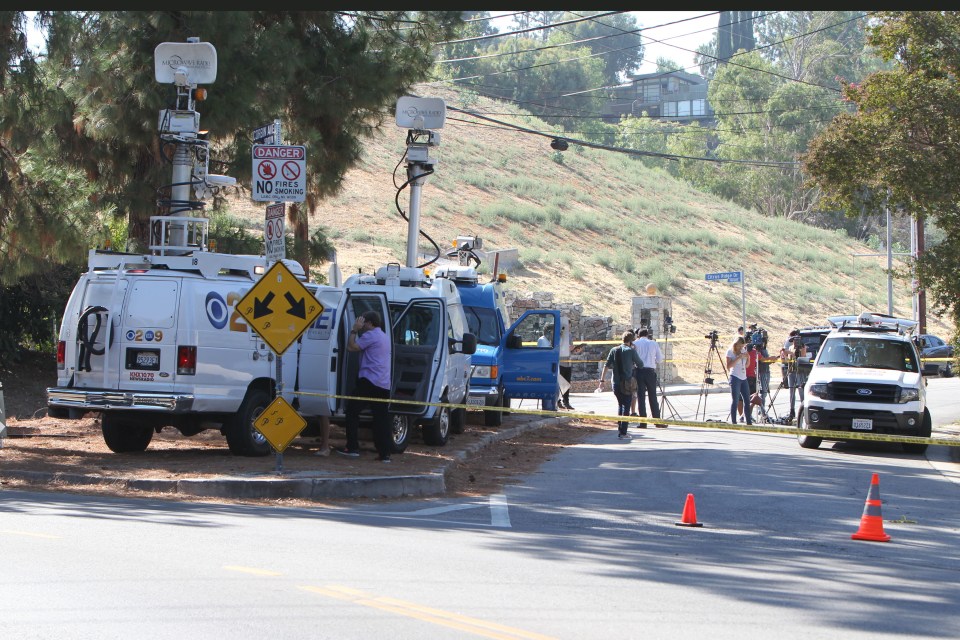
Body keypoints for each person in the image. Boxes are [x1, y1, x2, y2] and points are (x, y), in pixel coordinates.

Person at [336, 310, 394, 462]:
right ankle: (385, 454)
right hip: (383, 382)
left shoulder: (370, 335)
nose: (361, 324)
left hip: (369, 380)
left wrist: (354, 330)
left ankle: (352, 447)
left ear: (369, 323)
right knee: (381, 418)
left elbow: (352, 347)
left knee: (352, 412)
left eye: (363, 322)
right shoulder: (384, 336)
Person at [599, 331, 644, 438]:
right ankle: (623, 432)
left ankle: (620, 428)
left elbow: (606, 365)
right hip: (627, 383)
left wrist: (602, 380)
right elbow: (641, 364)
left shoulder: (614, 350)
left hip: (615, 382)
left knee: (620, 405)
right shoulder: (631, 351)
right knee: (626, 407)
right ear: (631, 341)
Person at [632, 329, 664, 428]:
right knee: (653, 396)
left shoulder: (635, 343)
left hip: (639, 371)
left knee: (641, 397)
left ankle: (643, 422)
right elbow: (659, 359)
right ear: (648, 335)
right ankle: (657, 421)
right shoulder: (653, 343)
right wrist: (652, 360)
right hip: (650, 371)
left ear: (638, 335)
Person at [780, 330, 808, 421]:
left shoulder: (802, 347)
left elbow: (803, 358)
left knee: (801, 390)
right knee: (792, 391)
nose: (795, 341)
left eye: (797, 339)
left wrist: (795, 352)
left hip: (799, 371)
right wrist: (785, 354)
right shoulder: (791, 347)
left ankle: (803, 410)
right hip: (791, 371)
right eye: (794, 339)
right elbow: (787, 361)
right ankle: (792, 411)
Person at [726, 336, 753, 425]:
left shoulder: (744, 350)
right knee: (736, 400)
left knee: (747, 399)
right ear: (736, 344)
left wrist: (748, 357)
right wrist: (738, 357)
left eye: (743, 346)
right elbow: (729, 366)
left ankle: (748, 421)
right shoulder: (730, 351)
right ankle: (734, 421)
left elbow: (747, 365)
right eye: (740, 346)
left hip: (743, 377)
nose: (741, 348)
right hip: (735, 377)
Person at [557, 321, 582, 410]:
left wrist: (575, 350)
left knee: (567, 384)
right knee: (559, 383)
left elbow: (570, 349)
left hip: (568, 362)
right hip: (560, 362)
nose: (569, 329)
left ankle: (566, 402)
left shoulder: (570, 336)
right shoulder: (558, 335)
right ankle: (558, 401)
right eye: (567, 327)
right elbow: (557, 348)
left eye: (570, 327)